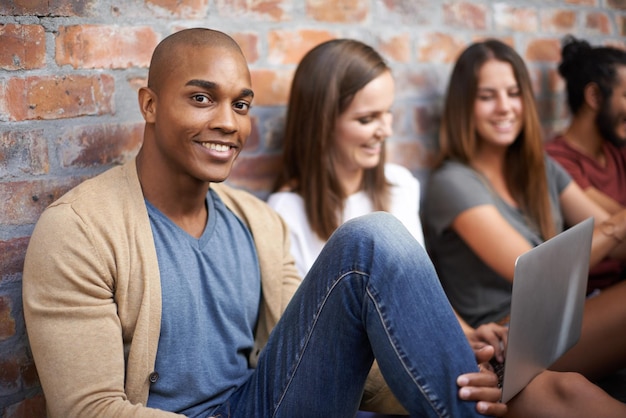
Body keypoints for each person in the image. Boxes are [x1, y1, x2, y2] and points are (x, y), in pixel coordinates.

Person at [22, 28, 509, 418]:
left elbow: (314, 347)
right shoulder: (78, 231)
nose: (228, 123)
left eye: (240, 105)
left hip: (260, 403)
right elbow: (88, 408)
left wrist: (448, 379)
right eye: (200, 98)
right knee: (372, 239)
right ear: (149, 104)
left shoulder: (258, 223)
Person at [269, 38, 626, 418]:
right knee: (550, 391)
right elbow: (314, 338)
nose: (385, 130)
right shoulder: (285, 212)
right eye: (366, 119)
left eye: (388, 113)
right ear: (321, 123)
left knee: (566, 389)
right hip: (375, 367)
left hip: (439, 343)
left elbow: (417, 292)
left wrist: (465, 333)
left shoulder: (400, 185)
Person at [422, 39, 626, 383]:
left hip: (565, 317)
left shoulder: (541, 168)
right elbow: (539, 276)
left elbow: (616, 239)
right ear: (464, 107)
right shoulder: (452, 183)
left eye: (514, 93)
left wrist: (614, 228)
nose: (504, 107)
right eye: (487, 97)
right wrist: (614, 226)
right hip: (509, 341)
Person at [545, 35, 626, 293]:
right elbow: (615, 230)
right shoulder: (556, 161)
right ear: (594, 96)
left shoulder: (617, 148)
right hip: (591, 297)